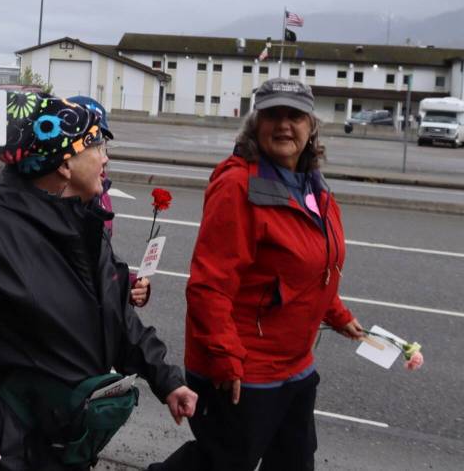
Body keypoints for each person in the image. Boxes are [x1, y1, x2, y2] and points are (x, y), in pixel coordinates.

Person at [0, 93, 197, 471]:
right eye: (97, 145)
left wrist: (167, 380)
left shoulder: (83, 223)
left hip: (53, 439)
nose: (106, 158)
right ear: (64, 163)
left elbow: (116, 316)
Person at [150, 78, 364, 471]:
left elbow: (311, 269)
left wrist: (338, 314)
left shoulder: (313, 185)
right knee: (224, 462)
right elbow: (208, 286)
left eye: (295, 116)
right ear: (256, 124)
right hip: (245, 368)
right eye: (273, 115)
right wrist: (227, 360)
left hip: (296, 365)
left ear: (311, 126)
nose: (284, 125)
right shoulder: (237, 185)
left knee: (295, 461)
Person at [67, 95, 150, 307]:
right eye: (94, 145)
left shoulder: (101, 196)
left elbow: (103, 262)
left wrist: (129, 285)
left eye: (103, 145)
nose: (105, 158)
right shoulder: (53, 206)